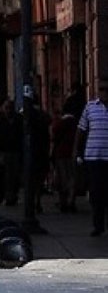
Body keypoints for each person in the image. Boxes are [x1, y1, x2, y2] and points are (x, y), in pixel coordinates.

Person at [73, 80, 108, 236]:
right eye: (101, 89)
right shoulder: (90, 107)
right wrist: (76, 151)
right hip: (93, 157)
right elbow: (81, 130)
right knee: (96, 193)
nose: (104, 92)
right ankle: (98, 225)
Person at [0, 98, 23, 206]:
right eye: (6, 108)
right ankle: (8, 195)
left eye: (10, 108)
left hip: (16, 151)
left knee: (15, 176)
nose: (8, 110)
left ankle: (13, 194)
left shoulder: (19, 120)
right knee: (5, 176)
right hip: (4, 151)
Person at [52, 107, 78, 212]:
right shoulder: (77, 123)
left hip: (61, 153)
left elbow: (54, 135)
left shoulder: (61, 123)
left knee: (62, 178)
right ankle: (71, 200)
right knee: (72, 177)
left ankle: (64, 202)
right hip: (73, 153)